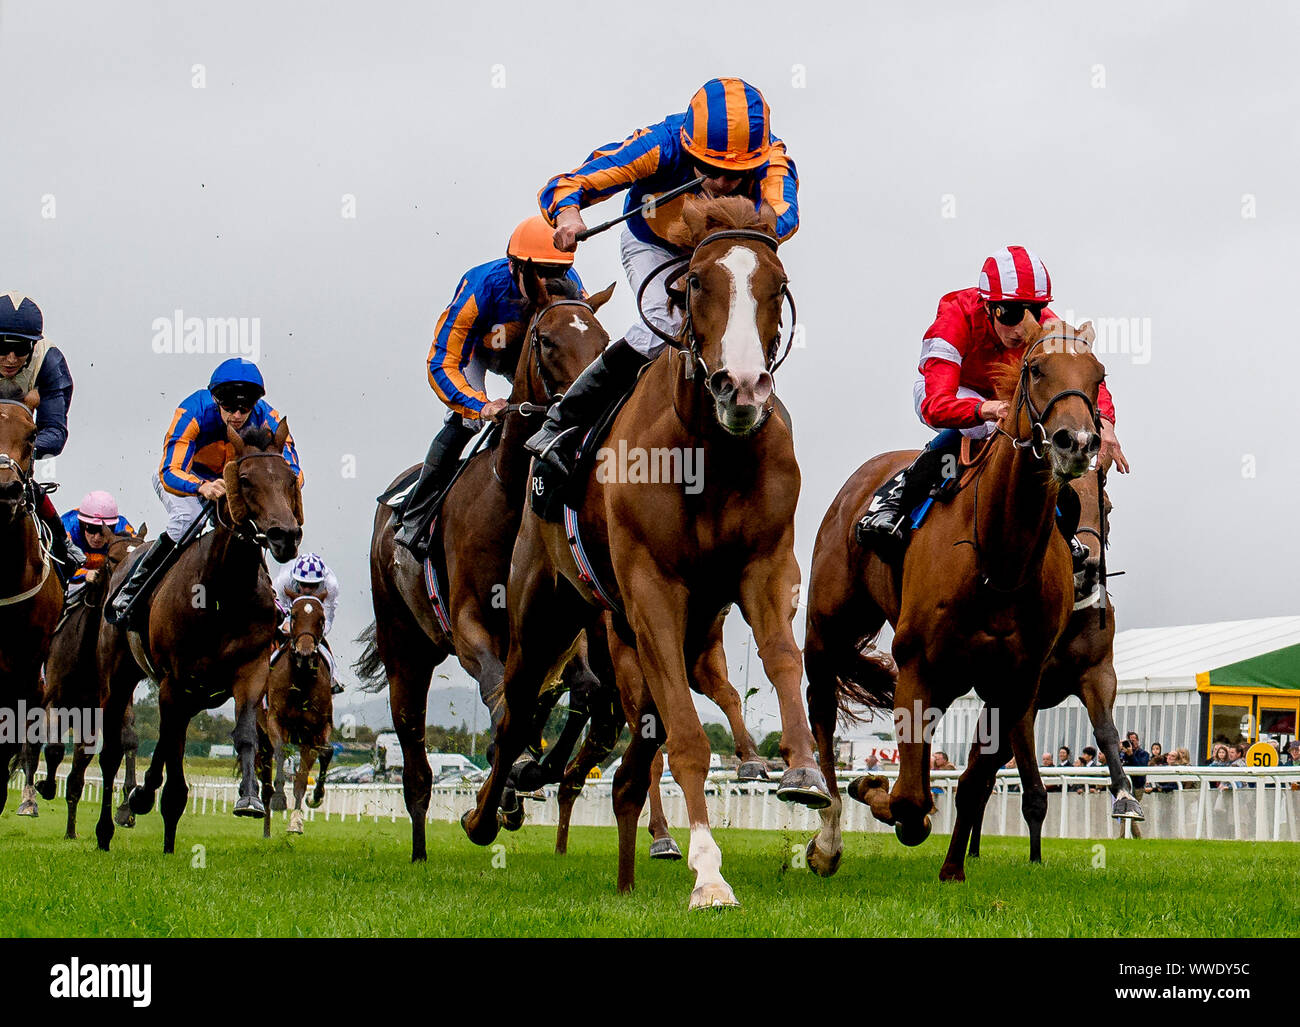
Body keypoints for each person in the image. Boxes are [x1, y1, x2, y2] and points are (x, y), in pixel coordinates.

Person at [526, 77, 798, 480]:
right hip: (653, 245)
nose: (724, 182)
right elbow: (569, 183)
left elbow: (784, 215)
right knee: (665, 324)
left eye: (737, 174)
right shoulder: (661, 143)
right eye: (711, 169)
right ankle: (562, 423)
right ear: (689, 146)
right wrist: (568, 214)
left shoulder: (772, 159)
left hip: (718, 250)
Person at [856, 248, 1129, 567]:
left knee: (1033, 431)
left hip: (1010, 395)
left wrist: (1105, 422)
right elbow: (935, 405)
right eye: (1010, 314)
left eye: (1034, 311)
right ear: (988, 306)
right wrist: (984, 410)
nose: (1022, 327)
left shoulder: (1048, 327)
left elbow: (1083, 374)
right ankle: (897, 495)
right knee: (983, 426)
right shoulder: (955, 313)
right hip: (953, 390)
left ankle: (1058, 524)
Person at [393, 217, 585, 559]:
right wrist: (479, 405)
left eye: (556, 273)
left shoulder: (571, 286)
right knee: (466, 422)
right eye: (537, 273)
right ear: (515, 269)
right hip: (481, 352)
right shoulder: (481, 287)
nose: (548, 283)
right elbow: (442, 362)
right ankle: (417, 515)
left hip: (535, 351)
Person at [107, 358, 301, 624]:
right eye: (230, 407)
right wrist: (202, 486)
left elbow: (293, 470)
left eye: (244, 408)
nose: (237, 416)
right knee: (185, 521)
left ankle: (266, 591)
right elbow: (169, 471)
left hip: (233, 482)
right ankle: (134, 590)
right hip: (184, 479)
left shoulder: (268, 417)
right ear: (215, 399)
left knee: (251, 525)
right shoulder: (193, 411)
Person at [0, 292, 82, 580]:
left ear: (33, 346)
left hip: (17, 451)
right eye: (2, 346)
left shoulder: (49, 361)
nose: (11, 358)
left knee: (22, 483)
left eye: (21, 348)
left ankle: (63, 546)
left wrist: (16, 456)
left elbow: (55, 433)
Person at [273, 552, 345, 695]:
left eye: (313, 586)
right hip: (288, 609)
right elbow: (278, 610)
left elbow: (327, 618)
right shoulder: (283, 580)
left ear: (320, 582)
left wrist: (313, 633)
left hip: (313, 617)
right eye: (304, 584)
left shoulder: (331, 585)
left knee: (320, 641)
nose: (307, 590)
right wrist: (287, 627)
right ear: (296, 580)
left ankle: (334, 677)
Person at [61, 491, 133, 599]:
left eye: (104, 531)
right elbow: (58, 566)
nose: (97, 538)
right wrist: (84, 574)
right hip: (74, 583)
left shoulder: (123, 529)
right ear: (82, 524)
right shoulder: (67, 529)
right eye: (92, 529)